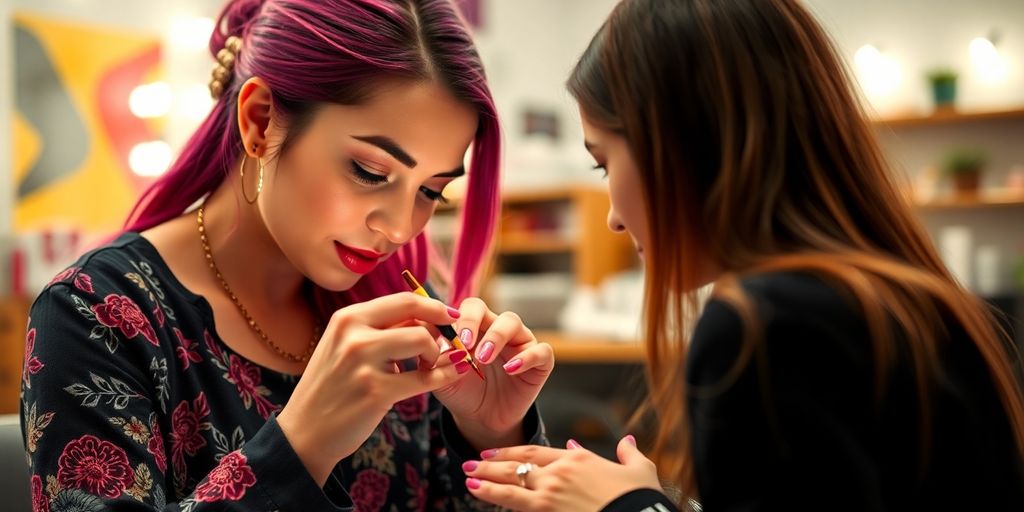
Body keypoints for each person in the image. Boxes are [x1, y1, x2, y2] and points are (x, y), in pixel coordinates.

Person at [461, 0, 1024, 510]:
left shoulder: (768, 321)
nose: (611, 215)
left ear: (684, 143)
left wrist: (631, 508)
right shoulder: (915, 302)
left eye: (604, 163)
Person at [20, 0, 554, 510]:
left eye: (431, 191)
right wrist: (301, 445)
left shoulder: (398, 304)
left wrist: (491, 432)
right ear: (259, 121)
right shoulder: (97, 314)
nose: (399, 227)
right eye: (369, 172)